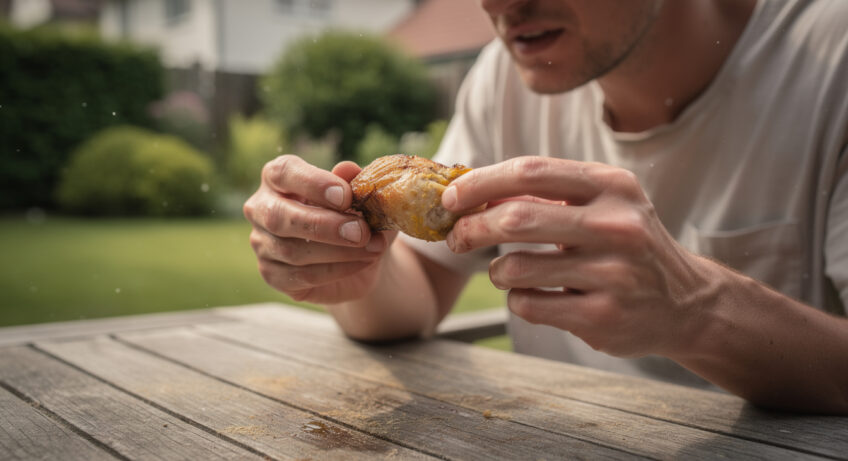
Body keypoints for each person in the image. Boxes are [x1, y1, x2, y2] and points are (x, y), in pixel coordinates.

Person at [243, 0, 848, 413]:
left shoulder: (831, 58)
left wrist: (697, 308)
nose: (497, 4)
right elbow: (418, 291)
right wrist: (346, 268)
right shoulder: (503, 77)